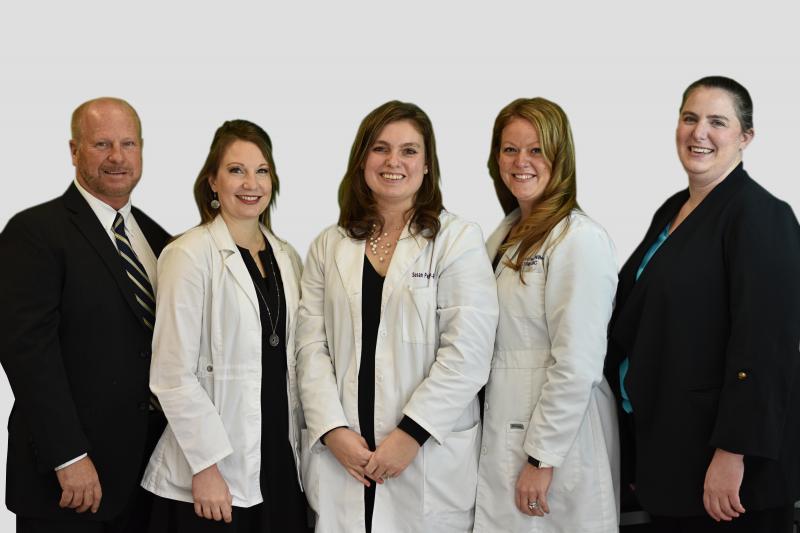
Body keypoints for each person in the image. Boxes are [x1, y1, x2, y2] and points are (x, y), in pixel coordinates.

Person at [605, 76, 800, 532]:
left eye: (718, 122)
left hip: (728, 468)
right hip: (671, 451)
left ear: (745, 137)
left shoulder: (762, 215)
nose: (700, 133)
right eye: (690, 118)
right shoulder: (673, 209)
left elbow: (765, 345)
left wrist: (733, 453)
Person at [295, 101, 498, 532]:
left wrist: (412, 433)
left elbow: (468, 352)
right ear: (362, 159)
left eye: (409, 151)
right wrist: (332, 430)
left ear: (427, 165)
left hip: (423, 457)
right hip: (345, 457)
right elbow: (310, 346)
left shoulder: (457, 240)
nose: (393, 162)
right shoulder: (329, 245)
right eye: (380, 148)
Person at [0, 97, 170, 532]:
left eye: (128, 144)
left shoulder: (160, 240)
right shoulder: (34, 232)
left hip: (149, 476)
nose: (117, 157)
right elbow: (27, 353)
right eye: (101, 144)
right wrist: (68, 455)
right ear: (74, 151)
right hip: (71, 483)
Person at [140, 120, 308, 532]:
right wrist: (206, 466)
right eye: (236, 170)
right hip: (213, 470)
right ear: (212, 181)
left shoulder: (288, 257)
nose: (251, 183)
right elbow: (171, 374)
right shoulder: (188, 254)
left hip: (279, 459)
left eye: (262, 170)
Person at [472, 97, 620, 532]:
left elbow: (577, 361)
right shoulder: (505, 234)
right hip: (505, 427)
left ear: (560, 156)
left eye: (536, 150)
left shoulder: (579, 239)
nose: (521, 162)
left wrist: (541, 457)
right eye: (510, 149)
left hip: (556, 446)